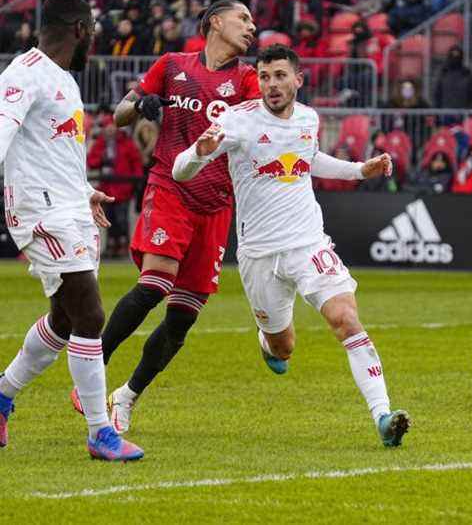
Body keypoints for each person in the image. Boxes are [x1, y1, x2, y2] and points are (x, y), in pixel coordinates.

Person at [172, 44, 411, 447]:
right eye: (265, 77)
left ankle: (383, 416)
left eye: (280, 76)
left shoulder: (308, 118)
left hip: (307, 243)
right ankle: (268, 342)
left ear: (298, 79)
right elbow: (180, 170)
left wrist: (358, 170)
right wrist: (199, 153)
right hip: (259, 254)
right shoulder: (237, 121)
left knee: (345, 318)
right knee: (284, 348)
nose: (272, 85)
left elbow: (309, 158)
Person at [70, 0, 260, 434]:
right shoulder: (173, 64)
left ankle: (127, 396)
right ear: (216, 21)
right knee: (154, 284)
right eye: (243, 18)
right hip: (170, 187)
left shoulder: (248, 80)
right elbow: (119, 115)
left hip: (216, 204)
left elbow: (258, 131)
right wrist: (143, 105)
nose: (251, 27)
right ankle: (92, 372)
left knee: (181, 320)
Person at [0, 0, 143, 461]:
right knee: (91, 314)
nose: (96, 40)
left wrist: (86, 192)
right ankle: (101, 433)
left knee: (64, 320)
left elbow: (54, 151)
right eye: (94, 32)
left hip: (69, 206)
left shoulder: (63, 80)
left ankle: (2, 394)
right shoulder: (24, 73)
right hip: (42, 212)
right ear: (81, 29)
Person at [86, 121, 145, 258]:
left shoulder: (126, 143)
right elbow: (91, 162)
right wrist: (102, 157)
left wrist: (135, 182)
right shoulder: (101, 144)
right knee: (109, 218)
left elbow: (136, 163)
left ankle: (123, 247)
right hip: (107, 188)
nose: (110, 130)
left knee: (122, 219)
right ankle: (111, 247)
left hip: (123, 188)